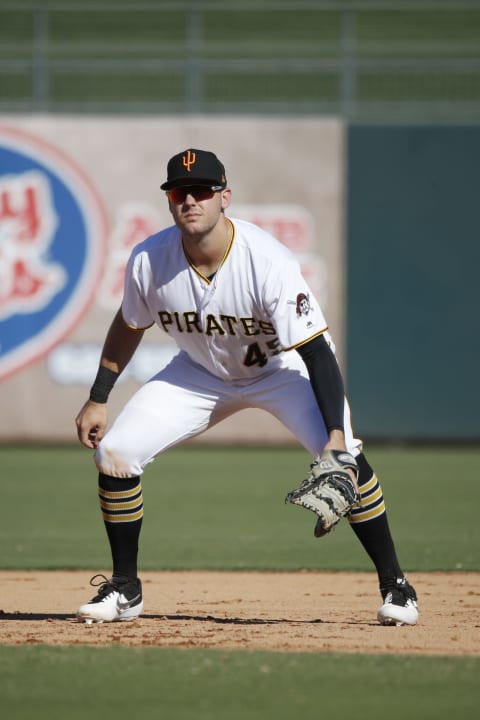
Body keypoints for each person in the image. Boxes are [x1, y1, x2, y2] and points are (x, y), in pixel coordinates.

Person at [75, 148, 418, 626]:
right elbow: (129, 325)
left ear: (224, 197)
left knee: (347, 459)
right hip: (197, 375)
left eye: (201, 190)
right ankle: (126, 589)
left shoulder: (267, 261)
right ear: (170, 201)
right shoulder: (150, 260)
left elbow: (317, 352)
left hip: (280, 371)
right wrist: (98, 396)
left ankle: (397, 587)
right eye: (180, 191)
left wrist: (335, 440)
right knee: (114, 453)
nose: (190, 199)